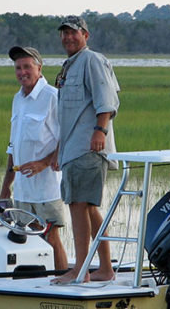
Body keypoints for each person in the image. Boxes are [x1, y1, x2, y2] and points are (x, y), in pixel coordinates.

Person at [51, 15, 120, 284]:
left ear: (85, 35)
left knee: (79, 205)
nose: (68, 37)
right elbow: (69, 114)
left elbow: (107, 100)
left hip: (88, 147)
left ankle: (80, 269)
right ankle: (104, 268)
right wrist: (59, 149)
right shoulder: (69, 66)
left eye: (73, 32)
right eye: (64, 33)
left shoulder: (92, 60)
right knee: (87, 207)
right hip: (71, 149)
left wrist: (100, 131)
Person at [0, 46, 68, 271]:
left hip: (47, 187)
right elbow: (13, 147)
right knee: (29, 240)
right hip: (22, 188)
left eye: (27, 66)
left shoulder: (53, 97)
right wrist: (5, 188)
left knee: (51, 237)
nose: (22, 72)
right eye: (18, 68)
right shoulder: (17, 99)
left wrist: (43, 163)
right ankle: (42, 282)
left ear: (39, 68)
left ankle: (62, 282)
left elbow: (67, 137)